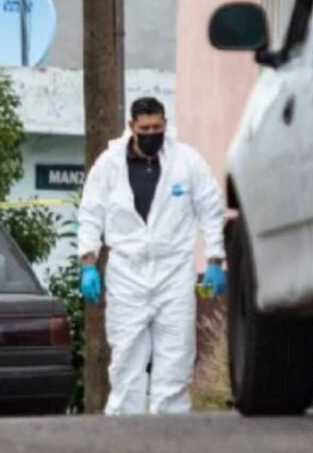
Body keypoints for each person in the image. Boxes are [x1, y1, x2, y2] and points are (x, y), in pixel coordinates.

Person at [77, 97, 226, 416]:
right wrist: (88, 262)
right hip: (127, 272)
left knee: (175, 359)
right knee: (126, 360)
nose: (152, 133)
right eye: (145, 128)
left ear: (165, 125)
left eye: (158, 127)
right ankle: (124, 437)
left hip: (174, 272)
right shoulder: (109, 164)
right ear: (131, 127)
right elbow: (91, 213)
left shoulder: (187, 162)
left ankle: (169, 436)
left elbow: (211, 210)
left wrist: (215, 260)